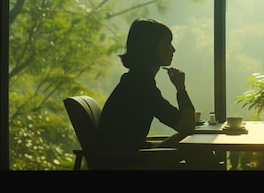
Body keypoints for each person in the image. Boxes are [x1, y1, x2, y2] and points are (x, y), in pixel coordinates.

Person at [94, 18, 220, 170]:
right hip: (127, 163)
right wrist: (181, 89)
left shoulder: (134, 81)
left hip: (128, 157)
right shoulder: (140, 87)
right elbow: (187, 126)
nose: (173, 49)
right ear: (150, 47)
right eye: (167, 43)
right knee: (192, 142)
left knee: (192, 143)